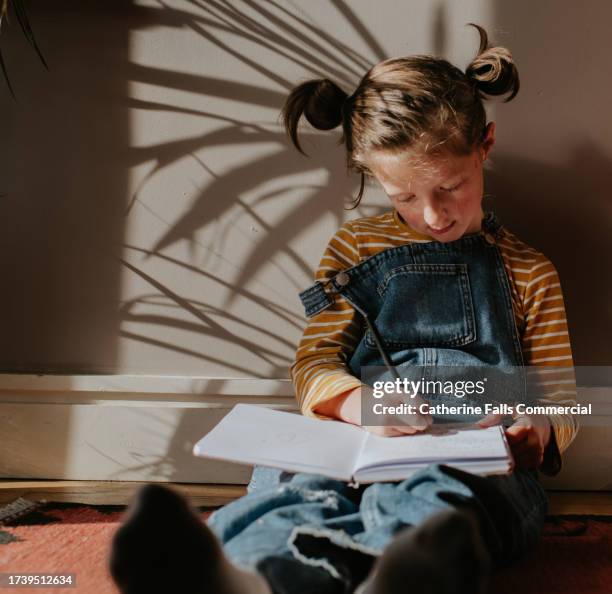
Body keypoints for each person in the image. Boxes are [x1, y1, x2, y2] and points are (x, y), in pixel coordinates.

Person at [109, 24, 578, 594]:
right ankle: (251, 576)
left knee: (437, 497)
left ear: (486, 145)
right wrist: (359, 401)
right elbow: (312, 366)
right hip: (352, 442)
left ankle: (401, 573)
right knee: (295, 488)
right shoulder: (354, 250)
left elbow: (558, 397)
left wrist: (542, 429)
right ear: (374, 177)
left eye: (450, 186)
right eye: (404, 197)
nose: (432, 215)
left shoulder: (529, 271)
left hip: (472, 458)